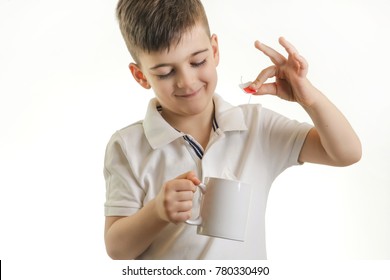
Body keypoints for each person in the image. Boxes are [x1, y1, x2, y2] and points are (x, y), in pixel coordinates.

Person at [103, 0, 361, 260]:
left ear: (214, 50)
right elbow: (117, 249)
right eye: (166, 72)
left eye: (198, 61)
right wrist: (157, 212)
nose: (187, 81)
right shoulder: (128, 145)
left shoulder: (256, 126)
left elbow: (346, 153)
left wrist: (310, 98)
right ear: (141, 76)